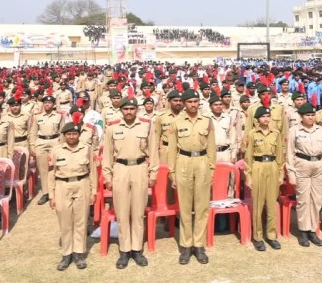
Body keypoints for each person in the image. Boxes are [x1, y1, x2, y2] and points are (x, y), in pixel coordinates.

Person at [102, 98, 156, 269]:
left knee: (139, 212)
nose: (129, 112)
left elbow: (153, 150)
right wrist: (108, 177)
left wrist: (153, 173)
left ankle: (137, 250)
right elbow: (107, 154)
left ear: (137, 110)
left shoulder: (147, 125)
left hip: (140, 168)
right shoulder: (112, 127)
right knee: (122, 213)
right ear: (121, 110)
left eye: (132, 108)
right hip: (120, 169)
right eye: (126, 109)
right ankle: (124, 251)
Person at [166, 89, 217, 265]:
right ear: (185, 103)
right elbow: (171, 149)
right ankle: (186, 246)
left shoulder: (207, 121)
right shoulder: (176, 122)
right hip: (183, 162)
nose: (193, 104)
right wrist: (172, 173)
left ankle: (199, 245)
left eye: (196, 101)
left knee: (202, 207)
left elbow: (211, 147)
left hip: (202, 162)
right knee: (186, 207)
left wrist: (211, 169)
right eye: (190, 102)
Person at [48, 115, 97, 271]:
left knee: (81, 220)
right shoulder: (56, 151)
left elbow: (93, 172)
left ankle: (78, 253)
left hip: (82, 184)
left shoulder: (86, 149)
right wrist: (51, 195)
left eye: (74, 134)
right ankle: (66, 254)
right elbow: (51, 174)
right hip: (62, 185)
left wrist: (93, 191)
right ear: (64, 135)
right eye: (68, 134)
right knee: (65, 221)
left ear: (78, 135)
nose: (71, 136)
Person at [285, 102, 322, 247]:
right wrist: (291, 173)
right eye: (308, 115)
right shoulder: (294, 131)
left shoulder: (320, 130)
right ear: (301, 116)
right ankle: (303, 231)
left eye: (313, 115)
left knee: (316, 199)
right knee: (303, 199)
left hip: (318, 166)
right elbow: (289, 153)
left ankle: (313, 230)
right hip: (302, 166)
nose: (311, 118)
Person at [245, 106, 285, 251]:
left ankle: (271, 235)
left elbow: (280, 155)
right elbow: (248, 157)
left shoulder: (276, 134)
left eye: (268, 116)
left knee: (271, 203)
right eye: (263, 117)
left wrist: (281, 173)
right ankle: (258, 236)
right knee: (258, 204)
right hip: (258, 166)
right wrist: (248, 176)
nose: (266, 119)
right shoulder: (252, 134)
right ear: (257, 119)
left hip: (272, 166)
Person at [29, 95, 64, 205]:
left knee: (56, 168)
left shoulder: (59, 116)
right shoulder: (37, 117)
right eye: (45, 103)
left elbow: (62, 131)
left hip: (55, 142)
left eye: (49, 103)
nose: (47, 104)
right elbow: (33, 132)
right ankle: (46, 193)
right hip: (41, 142)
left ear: (53, 104)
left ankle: (56, 192)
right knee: (43, 169)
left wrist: (62, 145)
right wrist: (32, 145)